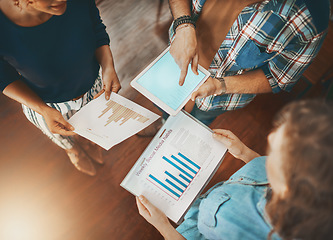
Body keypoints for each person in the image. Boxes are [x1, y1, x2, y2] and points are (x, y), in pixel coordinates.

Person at [136, 99, 333, 239]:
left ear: (288, 187)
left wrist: (162, 226)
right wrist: (245, 153)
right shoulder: (306, 184)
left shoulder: (245, 228)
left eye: (275, 153)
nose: (269, 138)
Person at [0, 0, 121, 176]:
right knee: (63, 137)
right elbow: (4, 78)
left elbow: (96, 27)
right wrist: (43, 110)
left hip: (94, 88)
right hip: (46, 105)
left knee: (92, 129)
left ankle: (88, 142)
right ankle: (74, 151)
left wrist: (108, 66)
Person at [166, 0, 330, 125]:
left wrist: (219, 86)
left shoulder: (312, 19)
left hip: (216, 98)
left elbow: (278, 77)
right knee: (164, 101)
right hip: (174, 59)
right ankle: (162, 122)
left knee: (193, 123)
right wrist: (183, 25)